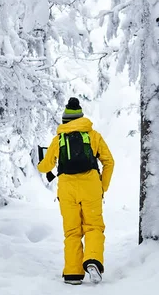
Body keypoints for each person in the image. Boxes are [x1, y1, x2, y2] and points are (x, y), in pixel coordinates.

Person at [37, 97, 114, 285]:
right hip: (91, 187)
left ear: (65, 121)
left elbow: (45, 166)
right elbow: (109, 162)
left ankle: (73, 273)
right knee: (93, 227)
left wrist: (40, 164)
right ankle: (93, 261)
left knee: (72, 231)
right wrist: (102, 186)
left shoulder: (58, 139)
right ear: (81, 118)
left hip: (67, 189)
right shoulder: (93, 136)